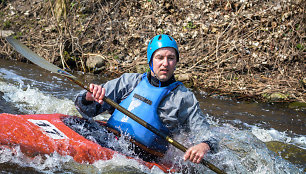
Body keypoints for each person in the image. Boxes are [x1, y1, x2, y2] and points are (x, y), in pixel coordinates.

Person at [75, 34, 217, 164]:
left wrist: (204, 145)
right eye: (160, 58)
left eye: (171, 58)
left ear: (176, 61)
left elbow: (209, 137)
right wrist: (88, 98)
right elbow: (85, 109)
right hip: (108, 141)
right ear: (150, 61)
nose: (165, 63)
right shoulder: (128, 82)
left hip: (145, 158)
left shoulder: (184, 98)